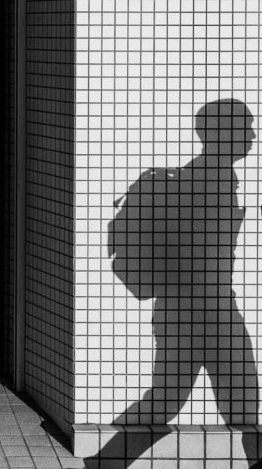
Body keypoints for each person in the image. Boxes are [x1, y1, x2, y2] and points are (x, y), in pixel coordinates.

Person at [91, 99, 260, 467]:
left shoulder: (218, 178)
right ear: (217, 134)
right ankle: (100, 461)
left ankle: (100, 461)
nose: (252, 136)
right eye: (245, 128)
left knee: (189, 398)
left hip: (196, 307)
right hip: (201, 309)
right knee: (190, 398)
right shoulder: (206, 181)